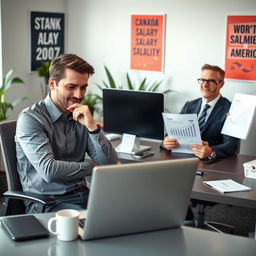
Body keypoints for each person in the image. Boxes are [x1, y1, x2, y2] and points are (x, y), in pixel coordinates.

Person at [15, 53, 118, 214]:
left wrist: (92, 127)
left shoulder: (81, 115)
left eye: (83, 87)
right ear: (52, 84)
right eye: (71, 87)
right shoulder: (30, 119)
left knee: (129, 214)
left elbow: (109, 163)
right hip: (48, 202)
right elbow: (49, 170)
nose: (79, 95)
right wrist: (92, 166)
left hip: (86, 195)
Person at [161, 64, 239, 161]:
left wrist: (211, 151)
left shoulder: (231, 109)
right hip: (182, 160)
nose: (205, 85)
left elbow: (231, 145)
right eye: (202, 80)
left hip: (212, 165)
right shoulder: (189, 105)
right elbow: (170, 133)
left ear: (221, 84)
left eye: (211, 81)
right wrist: (165, 142)